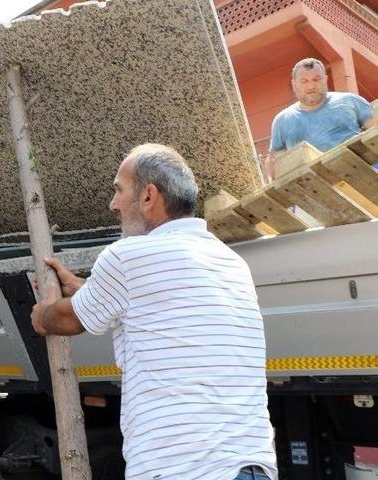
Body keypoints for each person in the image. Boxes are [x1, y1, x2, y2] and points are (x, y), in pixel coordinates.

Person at [30, 144, 277, 480]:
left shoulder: (128, 256)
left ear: (148, 196)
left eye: (119, 190)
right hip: (250, 467)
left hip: (183, 470)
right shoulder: (229, 261)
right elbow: (151, 301)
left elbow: (68, 319)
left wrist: (43, 313)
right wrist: (83, 288)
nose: (113, 204)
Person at [266, 57, 376, 181]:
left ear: (325, 79)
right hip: (317, 187)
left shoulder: (350, 101)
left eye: (316, 79)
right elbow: (274, 161)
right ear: (294, 84)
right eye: (304, 81)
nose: (311, 86)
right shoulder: (282, 121)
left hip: (365, 175)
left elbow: (375, 131)